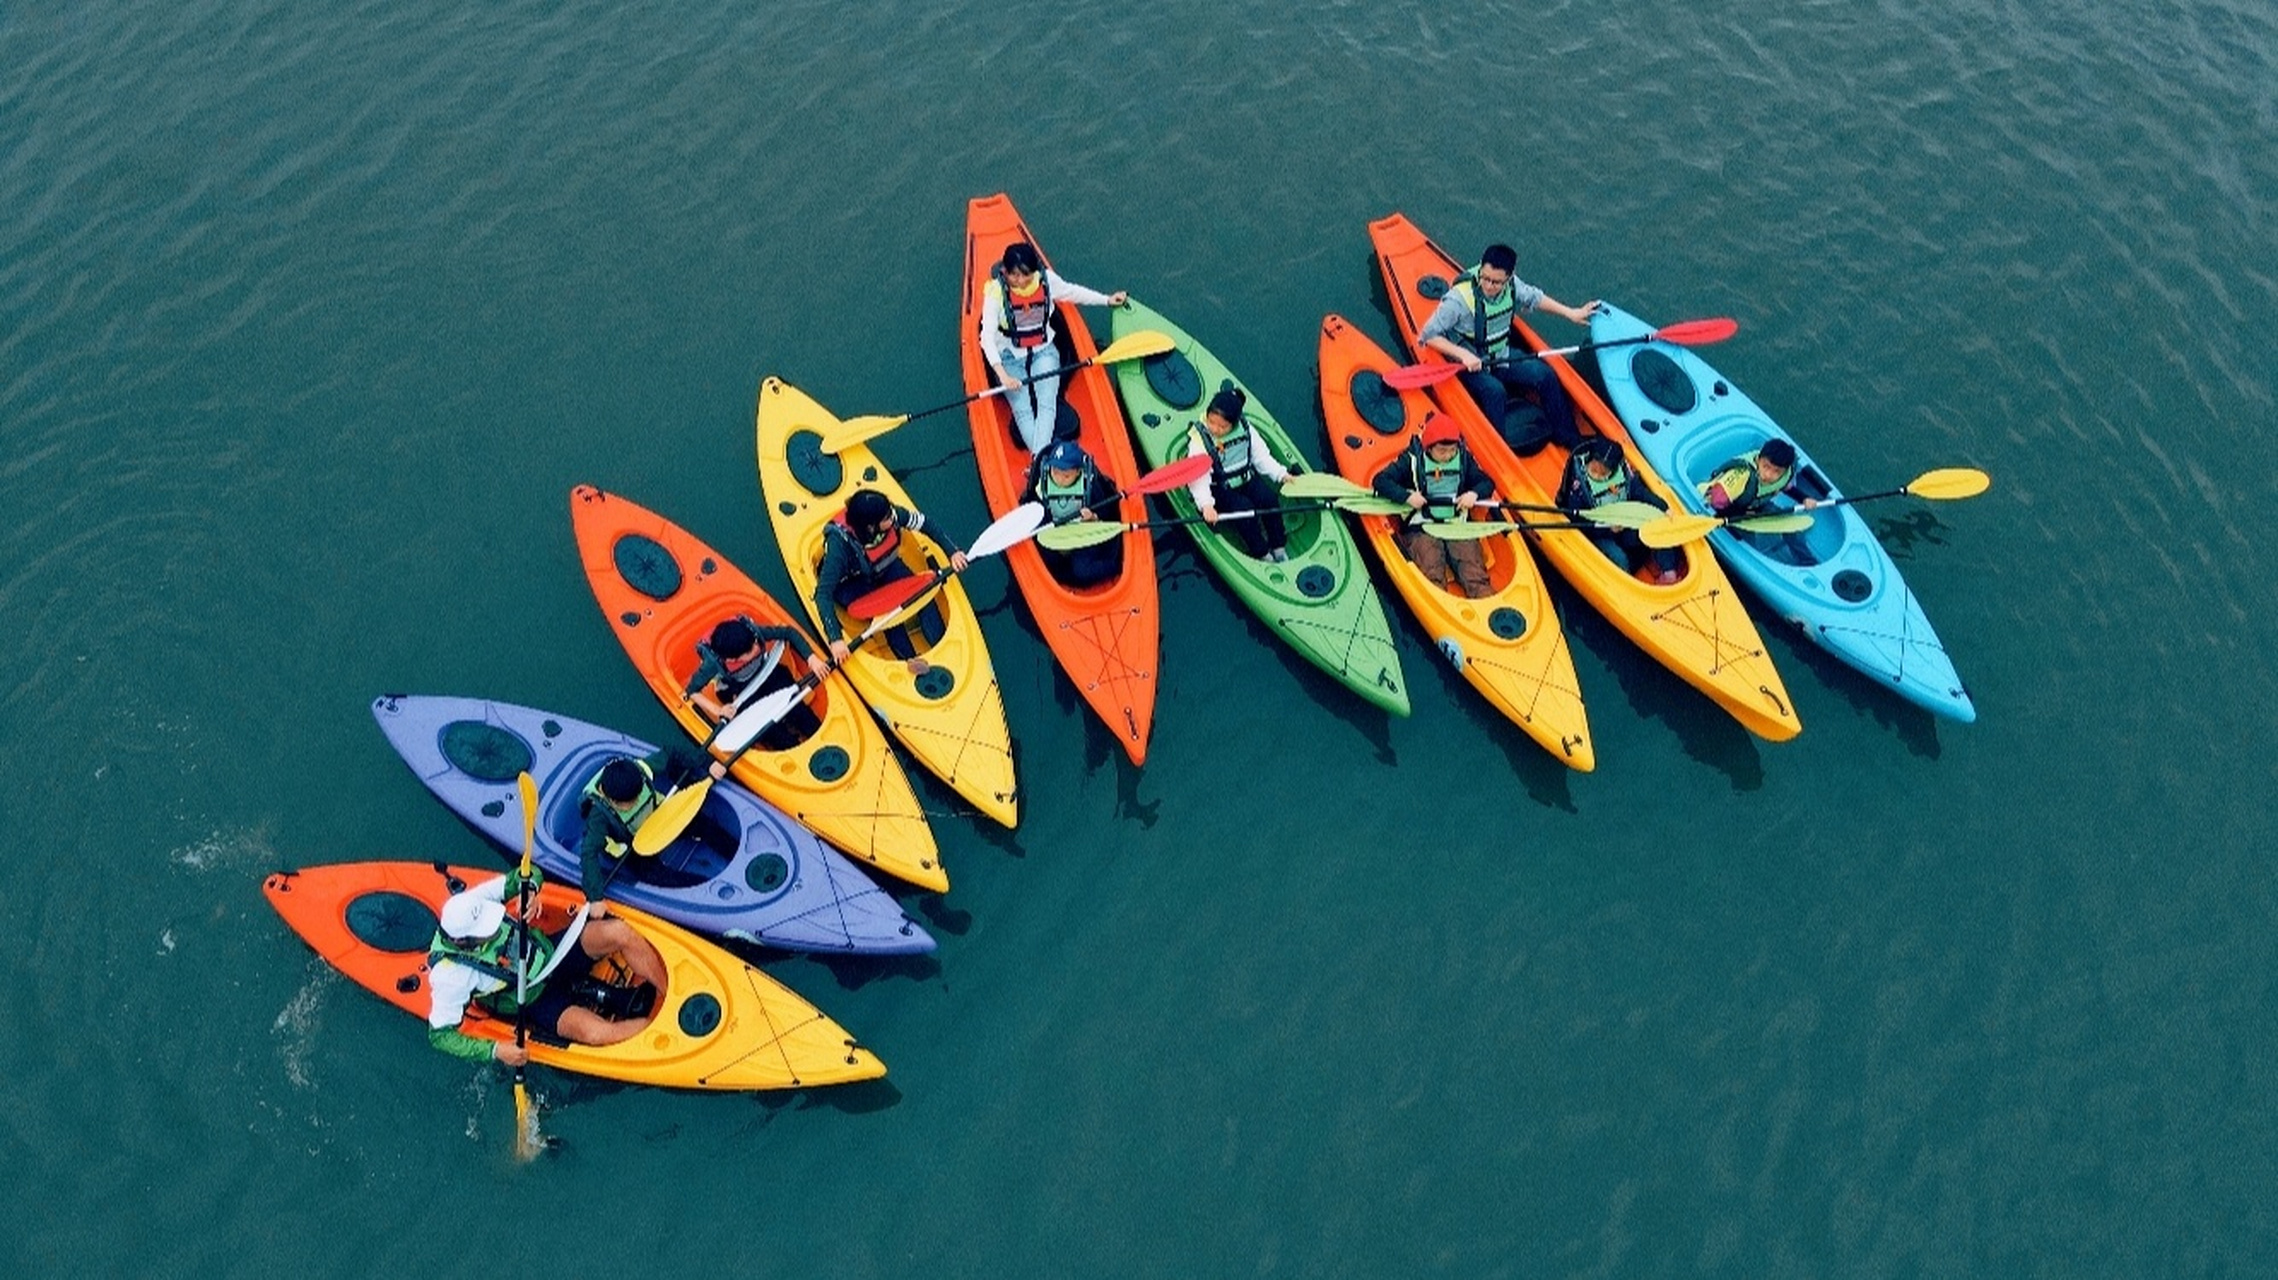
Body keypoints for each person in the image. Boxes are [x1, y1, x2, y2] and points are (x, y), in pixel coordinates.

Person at [426, 865, 669, 1067]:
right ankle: (660, 1032)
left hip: (552, 954)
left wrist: (531, 890)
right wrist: (496, 1050)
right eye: (484, 933)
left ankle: (667, 993)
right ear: (461, 941)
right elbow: (440, 1036)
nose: (495, 928)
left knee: (619, 932)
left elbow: (527, 872)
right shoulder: (450, 977)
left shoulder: (472, 902)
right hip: (532, 999)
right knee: (597, 1034)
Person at [1417, 243, 1600, 453]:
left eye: (1496, 282)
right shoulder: (1458, 300)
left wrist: (1571, 313)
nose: (1488, 285)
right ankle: (1501, 448)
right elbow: (1428, 336)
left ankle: (1568, 437)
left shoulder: (1513, 285)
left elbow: (1535, 298)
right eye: (1485, 278)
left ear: (1509, 276)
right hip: (1469, 363)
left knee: (1545, 375)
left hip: (1501, 355)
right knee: (1495, 392)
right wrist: (1463, 355)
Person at [977, 241, 1129, 454]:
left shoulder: (1047, 281)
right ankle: (1043, 459)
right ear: (1005, 272)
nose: (1019, 282)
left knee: (1047, 403)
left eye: (1025, 275)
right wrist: (1002, 374)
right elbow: (986, 338)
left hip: (1044, 352)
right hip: (1009, 358)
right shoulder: (995, 294)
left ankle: (1039, 461)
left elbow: (1072, 292)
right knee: (1022, 410)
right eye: (1013, 276)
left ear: (1035, 271)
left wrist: (1106, 300)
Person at [814, 488, 968, 675]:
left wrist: (952, 551)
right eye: (887, 517)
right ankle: (910, 661)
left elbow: (926, 523)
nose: (893, 517)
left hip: (883, 568)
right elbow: (822, 595)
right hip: (853, 583)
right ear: (871, 527)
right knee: (890, 615)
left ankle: (942, 645)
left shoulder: (891, 515)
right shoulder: (839, 548)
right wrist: (835, 639)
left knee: (923, 592)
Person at [1371, 411, 1495, 598]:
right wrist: (1406, 496)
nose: (1448, 456)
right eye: (1442, 451)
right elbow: (1380, 481)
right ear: (1429, 447)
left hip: (1455, 523)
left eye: (1452, 450)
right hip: (1422, 525)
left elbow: (1487, 482)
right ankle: (1440, 605)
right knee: (1432, 571)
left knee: (1474, 574)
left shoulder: (1463, 458)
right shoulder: (1411, 459)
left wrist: (1473, 493)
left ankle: (1485, 602)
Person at [577, 749, 726, 900]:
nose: (635, 803)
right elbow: (589, 853)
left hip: (657, 818)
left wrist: (708, 763)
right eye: (630, 803)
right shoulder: (598, 816)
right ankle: (705, 891)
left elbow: (672, 753)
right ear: (611, 800)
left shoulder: (641, 769)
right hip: (630, 845)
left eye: (637, 796)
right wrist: (595, 897)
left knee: (703, 824)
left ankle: (731, 849)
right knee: (656, 876)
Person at [683, 615, 824, 749]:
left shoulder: (753, 635)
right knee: (774, 733)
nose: (757, 647)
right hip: (740, 691)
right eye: (750, 650)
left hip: (766, 673)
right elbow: (692, 691)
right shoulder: (712, 664)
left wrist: (811, 658)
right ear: (732, 660)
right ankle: (788, 742)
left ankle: (815, 733)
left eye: (754, 643)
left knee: (801, 713)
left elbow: (788, 632)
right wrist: (719, 710)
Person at [1183, 388, 1292, 562]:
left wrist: (1281, 474)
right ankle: (1262, 552)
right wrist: (1206, 505)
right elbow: (1198, 478)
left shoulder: (1246, 430)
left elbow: (1261, 457)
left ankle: (1278, 546)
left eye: (1222, 426)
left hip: (1245, 479)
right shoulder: (1200, 441)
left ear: (1233, 424)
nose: (1215, 429)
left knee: (1269, 499)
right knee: (1244, 509)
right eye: (1211, 422)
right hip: (1219, 488)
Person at [1556, 436, 1681, 585]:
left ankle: (1669, 572)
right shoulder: (1578, 487)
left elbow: (1639, 491)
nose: (1597, 475)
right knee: (1619, 558)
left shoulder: (1623, 473)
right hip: (1600, 532)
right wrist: (1608, 529)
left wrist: (1663, 507)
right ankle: (1629, 583)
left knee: (1657, 526)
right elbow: (1578, 522)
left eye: (1603, 473)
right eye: (1594, 470)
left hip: (1624, 521)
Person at [1024, 439, 1124, 587]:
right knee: (1049, 561)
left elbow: (1106, 513)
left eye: (1066, 476)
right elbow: (1035, 506)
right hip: (1056, 534)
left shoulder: (1090, 486)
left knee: (1082, 571)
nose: (1059, 480)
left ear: (1077, 472)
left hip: (1083, 534)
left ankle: (1115, 565)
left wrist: (1092, 517)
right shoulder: (1043, 483)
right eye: (1056, 472)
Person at [1701, 438, 1818, 516]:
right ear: (1758, 460)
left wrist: (1804, 498)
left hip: (1756, 506)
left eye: (1777, 472)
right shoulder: (1742, 475)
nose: (1769, 475)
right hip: (1727, 507)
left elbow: (1785, 486)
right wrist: (1741, 514)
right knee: (1747, 538)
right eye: (1766, 467)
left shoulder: (1785, 473)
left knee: (1785, 520)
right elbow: (1716, 500)